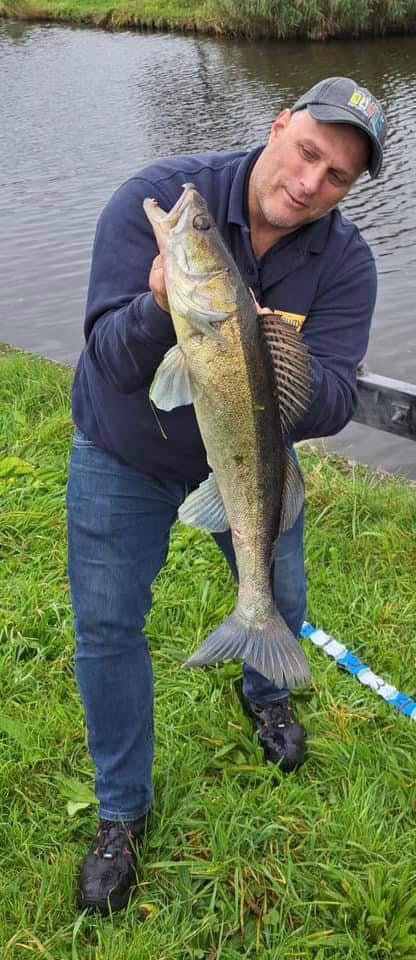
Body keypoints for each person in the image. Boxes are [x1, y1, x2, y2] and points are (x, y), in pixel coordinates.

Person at [67, 75, 387, 914]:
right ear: (280, 124)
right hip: (125, 447)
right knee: (106, 625)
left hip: (251, 466)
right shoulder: (162, 201)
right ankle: (121, 815)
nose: (312, 180)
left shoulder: (347, 262)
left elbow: (339, 401)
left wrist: (274, 357)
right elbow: (106, 356)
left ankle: (267, 692)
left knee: (279, 590)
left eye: (338, 176)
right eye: (308, 151)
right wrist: (161, 304)